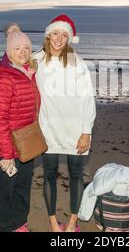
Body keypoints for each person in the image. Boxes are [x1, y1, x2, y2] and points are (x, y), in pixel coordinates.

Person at [34, 14, 96, 232]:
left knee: (76, 175)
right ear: (48, 35)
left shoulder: (76, 63)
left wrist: (86, 131)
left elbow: (88, 98)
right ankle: (53, 222)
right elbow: (11, 65)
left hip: (75, 130)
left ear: (69, 38)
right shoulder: (36, 60)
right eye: (55, 33)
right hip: (48, 131)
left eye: (64, 34)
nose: (59, 38)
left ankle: (72, 221)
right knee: (49, 175)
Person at [0, 30, 38, 232]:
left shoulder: (30, 74)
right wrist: (7, 155)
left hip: (26, 144)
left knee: (23, 187)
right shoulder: (5, 77)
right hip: (7, 148)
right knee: (5, 191)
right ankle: (5, 227)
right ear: (9, 52)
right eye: (17, 48)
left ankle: (19, 223)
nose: (23, 51)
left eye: (26, 47)